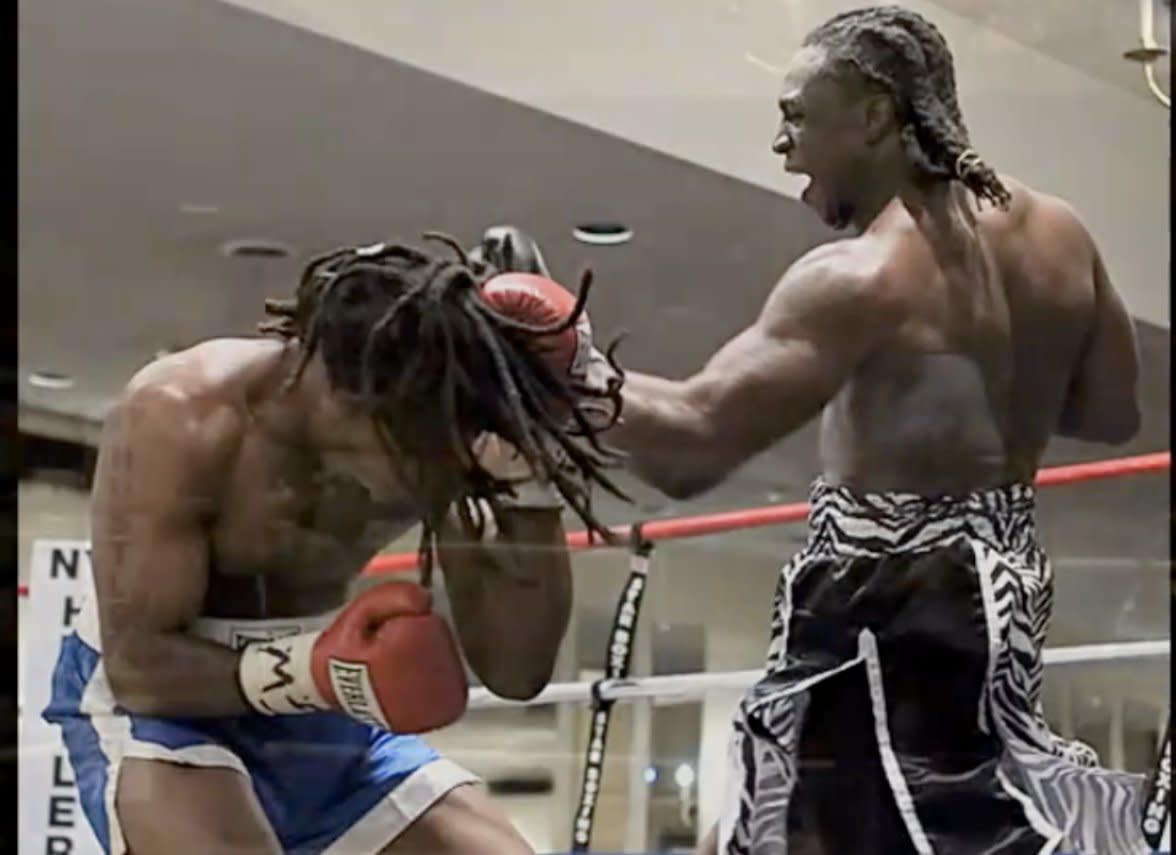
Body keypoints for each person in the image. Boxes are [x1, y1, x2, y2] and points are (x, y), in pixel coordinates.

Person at [495, 6, 1149, 853]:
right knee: (972, 821)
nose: (782, 146)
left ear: (874, 114)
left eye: (797, 116)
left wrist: (561, 367)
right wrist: (961, 382)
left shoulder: (861, 275)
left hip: (885, 601)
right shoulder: (1061, 234)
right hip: (1006, 586)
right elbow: (1110, 413)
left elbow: (695, 444)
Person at [42, 231, 625, 854]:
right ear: (361, 402)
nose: (429, 474)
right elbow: (138, 665)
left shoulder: (433, 431)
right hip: (162, 704)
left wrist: (531, 483)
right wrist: (311, 671)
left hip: (324, 704)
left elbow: (516, 672)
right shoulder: (184, 413)